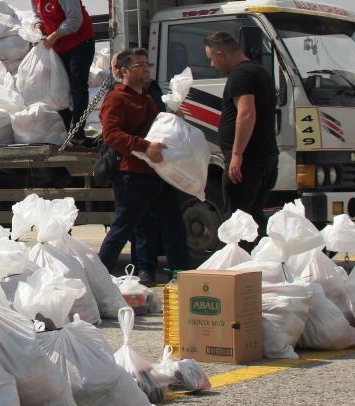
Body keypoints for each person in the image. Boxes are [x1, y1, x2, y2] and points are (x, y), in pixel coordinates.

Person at [98, 48, 190, 285]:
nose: (146, 69)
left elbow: (158, 129)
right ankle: (97, 279)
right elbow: (111, 135)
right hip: (132, 175)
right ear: (125, 71)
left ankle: (181, 279)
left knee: (174, 229)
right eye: (139, 65)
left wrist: (174, 119)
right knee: (122, 230)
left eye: (147, 64)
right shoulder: (116, 98)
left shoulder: (148, 98)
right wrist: (145, 147)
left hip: (157, 173)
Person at [205, 31, 279, 233]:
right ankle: (258, 261)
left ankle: (240, 263)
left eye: (211, 59)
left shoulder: (241, 75)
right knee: (254, 218)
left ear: (221, 55)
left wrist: (237, 155)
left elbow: (246, 113)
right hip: (265, 157)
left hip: (248, 161)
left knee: (237, 222)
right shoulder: (260, 72)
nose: (212, 65)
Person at [29, 0, 96, 145]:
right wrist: (37, 27)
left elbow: (75, 20)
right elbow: (37, 15)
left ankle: (77, 134)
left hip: (79, 43)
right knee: (58, 90)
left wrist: (53, 36)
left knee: (77, 87)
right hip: (58, 46)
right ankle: (70, 130)